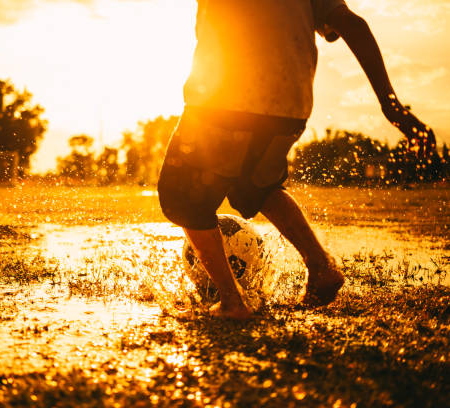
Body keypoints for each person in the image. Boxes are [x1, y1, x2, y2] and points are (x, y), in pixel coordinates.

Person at [157, 0, 436, 320]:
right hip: (290, 103)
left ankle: (232, 303)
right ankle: (321, 266)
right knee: (255, 186)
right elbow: (351, 25)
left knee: (182, 198)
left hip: (224, 97)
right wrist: (391, 105)